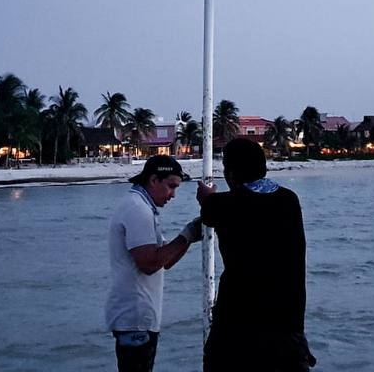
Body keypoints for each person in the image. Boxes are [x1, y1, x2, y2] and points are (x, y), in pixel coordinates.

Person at [197, 138, 316, 371]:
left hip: (239, 321)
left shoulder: (226, 204)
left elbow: (210, 212)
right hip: (287, 320)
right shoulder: (289, 200)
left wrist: (207, 197)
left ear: (231, 173)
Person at [106, 154, 203, 372]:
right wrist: (187, 235)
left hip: (137, 318)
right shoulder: (137, 210)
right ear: (153, 180)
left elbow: (165, 261)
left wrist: (189, 236)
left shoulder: (142, 207)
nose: (173, 195)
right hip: (135, 319)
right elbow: (149, 264)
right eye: (171, 186)